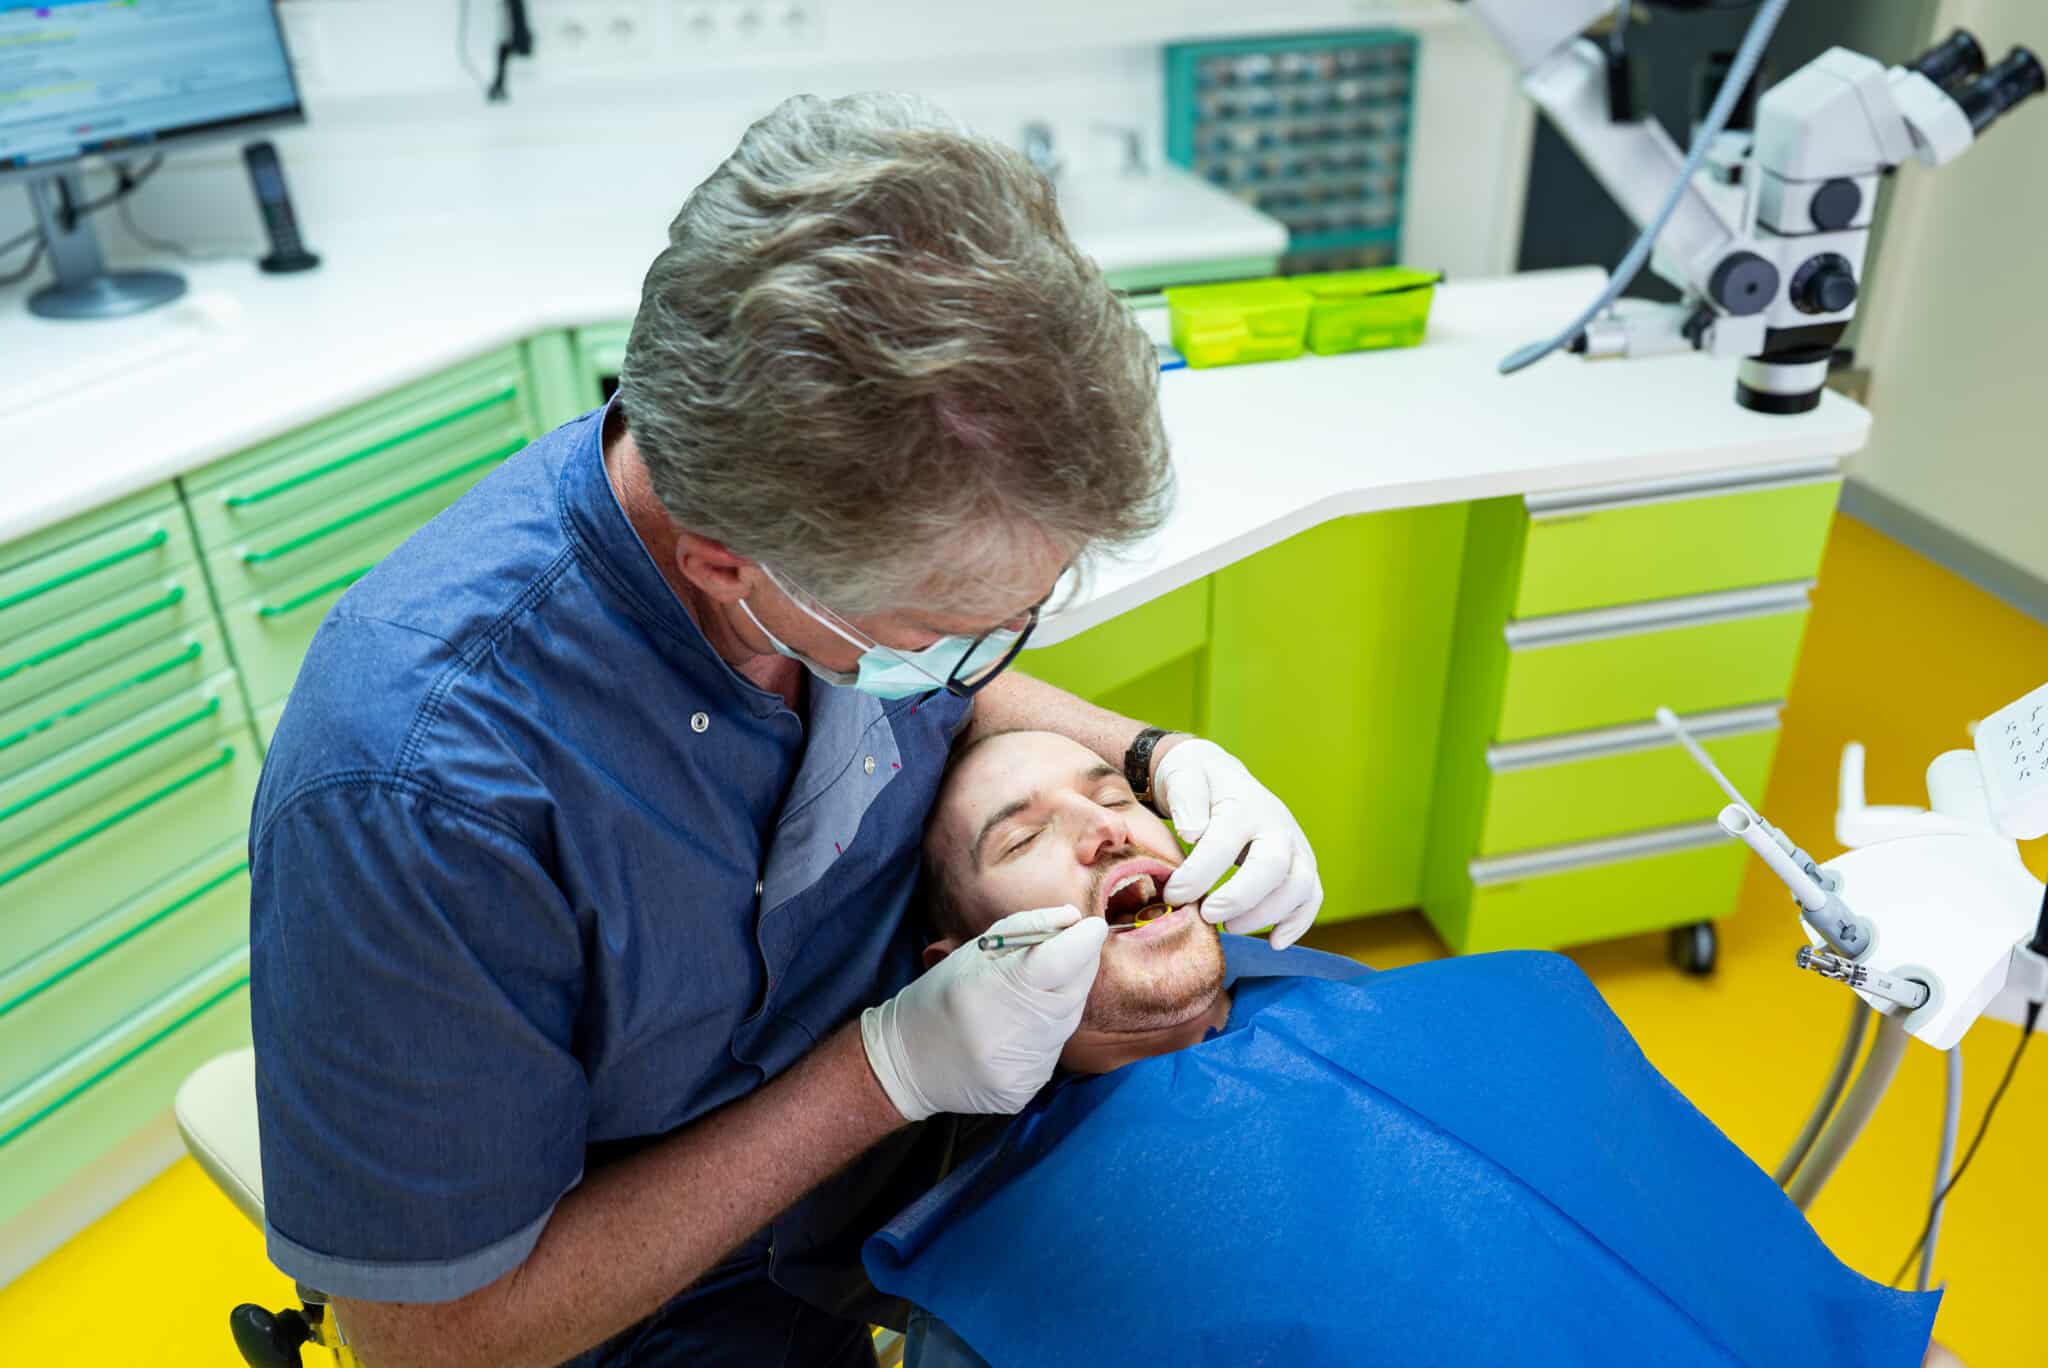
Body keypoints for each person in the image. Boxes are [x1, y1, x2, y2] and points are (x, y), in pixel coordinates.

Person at [246, 94, 1327, 1368]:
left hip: (920, 1144)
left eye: (1022, 616)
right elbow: (435, 1340)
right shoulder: (419, 789)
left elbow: (946, 686)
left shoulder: (835, 578)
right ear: (724, 564)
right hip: (651, 1292)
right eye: (949, 629)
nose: (982, 661)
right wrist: (884, 1074)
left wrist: (1154, 754)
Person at [867, 729, 1942, 1368]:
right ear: (956, 960)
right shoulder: (1005, 1291)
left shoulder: (1508, 1003)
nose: (1105, 829)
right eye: (1020, 838)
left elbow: (1732, 1260)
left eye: (1113, 797)